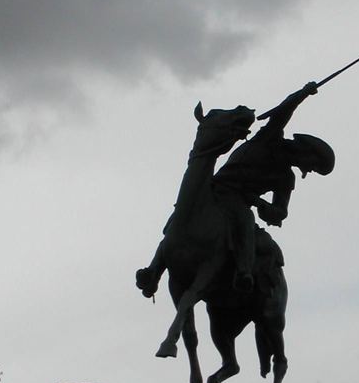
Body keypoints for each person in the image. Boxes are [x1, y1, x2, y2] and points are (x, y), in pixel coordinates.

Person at [137, 81, 335, 297]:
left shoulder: (285, 178)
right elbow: (284, 111)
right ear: (306, 152)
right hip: (215, 187)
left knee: (245, 221)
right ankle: (153, 271)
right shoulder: (270, 139)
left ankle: (243, 271)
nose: (309, 169)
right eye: (313, 164)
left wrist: (259, 203)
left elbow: (280, 212)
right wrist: (304, 93)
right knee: (181, 214)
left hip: (238, 201)